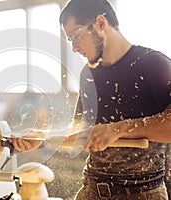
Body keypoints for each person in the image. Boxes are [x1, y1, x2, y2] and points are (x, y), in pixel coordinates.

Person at [10, 0, 171, 199]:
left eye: (76, 36)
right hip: (92, 190)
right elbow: (80, 129)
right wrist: (42, 137)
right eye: (70, 40)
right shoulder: (89, 74)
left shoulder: (154, 64)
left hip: (141, 192)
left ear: (101, 23)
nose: (75, 48)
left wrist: (116, 129)